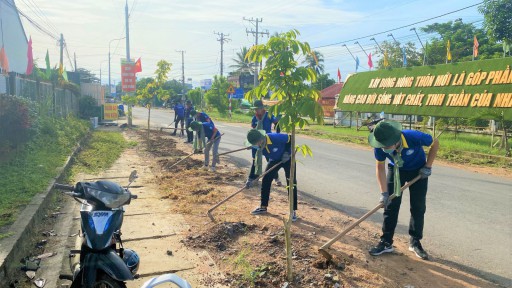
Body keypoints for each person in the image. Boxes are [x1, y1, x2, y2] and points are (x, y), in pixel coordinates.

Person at [367, 120, 439, 260]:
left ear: (396, 140)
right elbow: (380, 168)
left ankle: (415, 242)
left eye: (387, 146)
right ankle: (386, 241)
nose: (384, 148)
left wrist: (428, 166)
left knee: (418, 207)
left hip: (419, 171)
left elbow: (435, 143)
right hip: (396, 170)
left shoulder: (413, 136)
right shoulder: (380, 145)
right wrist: (384, 193)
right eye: (382, 146)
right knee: (390, 206)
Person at [245, 129, 298, 222]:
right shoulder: (257, 145)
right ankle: (263, 206)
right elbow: (255, 163)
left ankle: (292, 210)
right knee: (266, 180)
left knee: (291, 182)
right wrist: (251, 179)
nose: (255, 146)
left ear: (261, 140)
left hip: (288, 158)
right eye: (253, 144)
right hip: (274, 160)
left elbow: (290, 138)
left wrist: (286, 153)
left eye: (256, 143)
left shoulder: (274, 137)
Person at [246, 100, 282, 188]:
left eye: (257, 109)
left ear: (262, 108)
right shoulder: (254, 118)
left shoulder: (268, 116)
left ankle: (276, 178)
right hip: (257, 142)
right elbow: (253, 131)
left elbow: (277, 123)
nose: (256, 111)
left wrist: (277, 135)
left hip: (267, 142)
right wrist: (249, 143)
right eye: (255, 109)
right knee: (255, 160)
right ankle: (252, 179)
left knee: (270, 161)